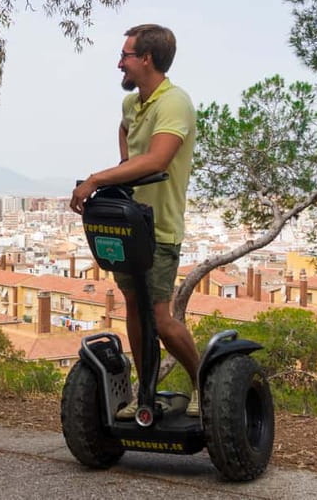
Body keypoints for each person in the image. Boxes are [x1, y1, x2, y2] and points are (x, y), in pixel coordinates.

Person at [70, 24, 200, 418]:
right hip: (129, 226)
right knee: (133, 307)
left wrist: (98, 178)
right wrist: (125, 164)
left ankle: (203, 382)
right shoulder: (133, 104)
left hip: (159, 227)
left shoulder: (174, 102)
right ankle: (146, 393)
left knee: (160, 316)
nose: (119, 63)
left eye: (125, 55)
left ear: (147, 59)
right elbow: (125, 129)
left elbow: (159, 159)